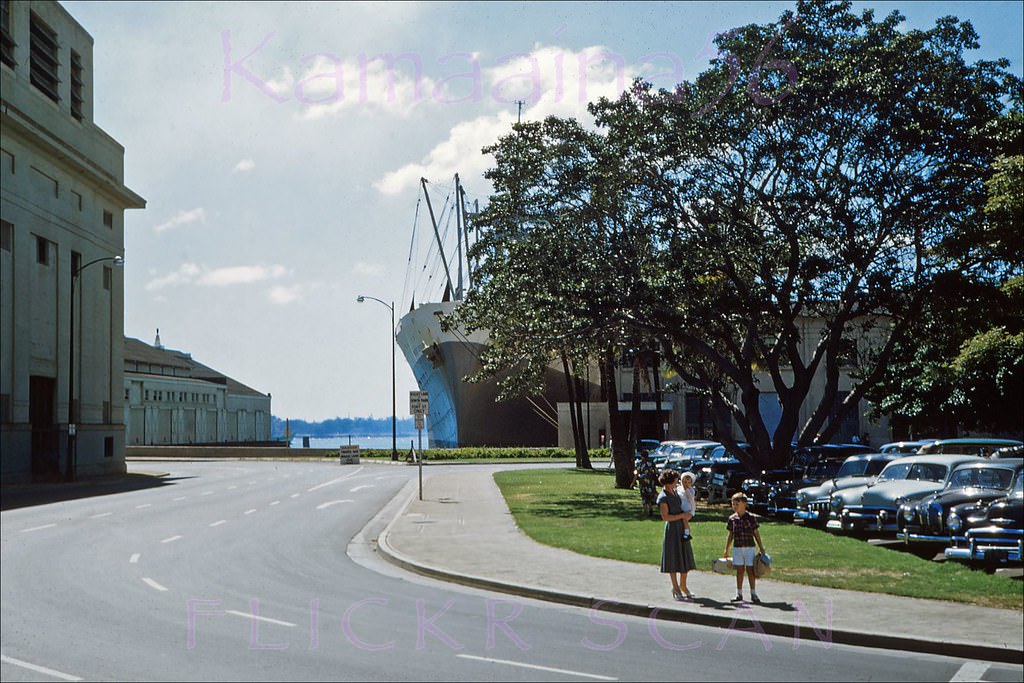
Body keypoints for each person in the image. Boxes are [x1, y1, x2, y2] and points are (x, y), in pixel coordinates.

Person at [657, 469, 696, 601]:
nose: (677, 483)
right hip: (672, 529)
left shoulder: (675, 491)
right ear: (668, 482)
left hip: (681, 527)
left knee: (684, 557)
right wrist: (681, 516)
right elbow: (665, 517)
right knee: (673, 558)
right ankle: (676, 587)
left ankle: (683, 585)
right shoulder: (663, 497)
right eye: (675, 481)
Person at [723, 492, 766, 604]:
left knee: (750, 570)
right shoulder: (732, 519)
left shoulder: (751, 518)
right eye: (733, 504)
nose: (734, 506)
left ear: (744, 504)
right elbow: (730, 534)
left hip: (749, 548)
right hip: (737, 548)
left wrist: (761, 547)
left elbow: (756, 533)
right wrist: (726, 548)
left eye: (737, 504)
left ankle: (753, 593)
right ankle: (739, 593)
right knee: (739, 571)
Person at [635, 452, 658, 517]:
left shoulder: (641, 463)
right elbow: (656, 471)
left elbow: (637, 472)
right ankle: (651, 509)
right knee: (650, 495)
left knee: (644, 496)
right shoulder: (651, 462)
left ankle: (645, 511)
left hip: (643, 482)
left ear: (642, 456)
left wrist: (633, 482)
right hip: (651, 482)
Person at [679, 471, 697, 539]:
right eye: (685, 482)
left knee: (685, 519)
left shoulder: (691, 490)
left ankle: (687, 533)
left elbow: (690, 498)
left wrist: (687, 490)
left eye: (689, 483)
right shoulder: (679, 489)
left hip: (689, 510)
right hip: (681, 509)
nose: (686, 484)